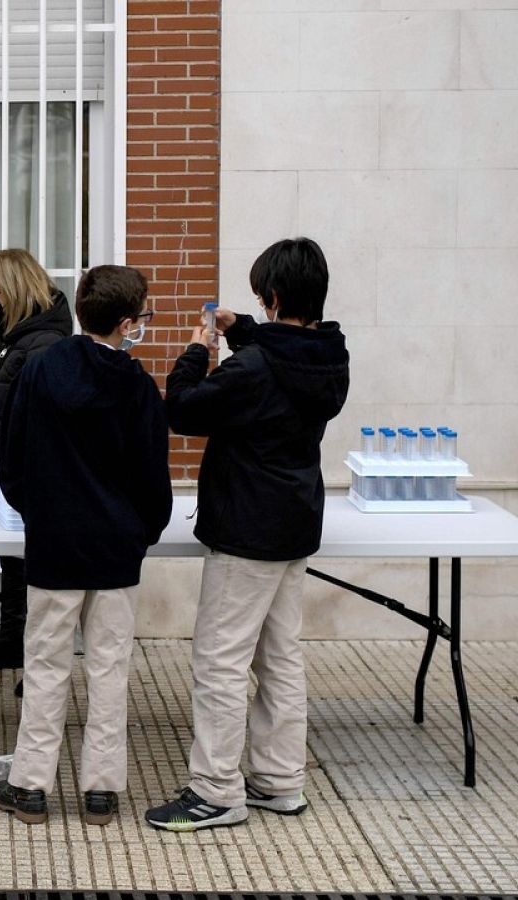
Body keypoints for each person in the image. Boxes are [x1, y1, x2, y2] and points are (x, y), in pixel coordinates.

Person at [145, 237, 350, 832]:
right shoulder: (330, 354)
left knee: (221, 661)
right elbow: (282, 357)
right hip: (293, 525)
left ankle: (215, 791)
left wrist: (195, 350)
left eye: (262, 298)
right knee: (280, 657)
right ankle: (279, 782)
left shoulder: (254, 368)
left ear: (274, 295)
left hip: (245, 533)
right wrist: (241, 332)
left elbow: (182, 411)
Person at [0, 265, 172, 827]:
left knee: (44, 665)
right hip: (116, 548)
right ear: (125, 322)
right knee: (109, 668)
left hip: (55, 543)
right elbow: (153, 478)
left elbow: (12, 463)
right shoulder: (138, 385)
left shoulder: (41, 369)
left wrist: (39, 514)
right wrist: (141, 532)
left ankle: (30, 785)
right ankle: (101, 790)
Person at [0, 249, 72, 675]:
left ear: (14, 288)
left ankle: (40, 666)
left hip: (27, 475)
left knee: (37, 570)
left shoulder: (44, 343)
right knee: (12, 562)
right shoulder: (4, 335)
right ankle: (11, 641)